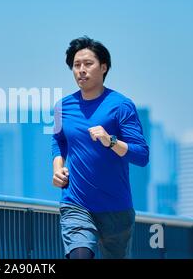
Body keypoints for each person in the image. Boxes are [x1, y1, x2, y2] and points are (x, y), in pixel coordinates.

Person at [51, 36, 149, 259]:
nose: (81, 71)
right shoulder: (61, 107)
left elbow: (142, 155)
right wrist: (57, 168)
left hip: (116, 210)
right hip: (76, 203)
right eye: (76, 65)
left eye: (88, 64)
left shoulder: (121, 105)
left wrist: (111, 141)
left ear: (103, 67)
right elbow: (58, 141)